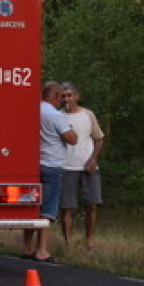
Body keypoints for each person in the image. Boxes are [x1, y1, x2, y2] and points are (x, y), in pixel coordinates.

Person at [23, 81, 77, 262]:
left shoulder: (32, 110)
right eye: (61, 96)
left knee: (32, 206)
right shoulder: (55, 115)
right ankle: (42, 250)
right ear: (55, 97)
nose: (62, 100)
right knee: (47, 210)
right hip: (52, 164)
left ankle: (27, 247)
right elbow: (71, 139)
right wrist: (72, 130)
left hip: (33, 164)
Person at [58, 82, 104, 250]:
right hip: (67, 166)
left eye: (69, 95)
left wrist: (93, 159)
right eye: (63, 96)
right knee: (67, 206)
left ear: (76, 96)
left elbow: (99, 139)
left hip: (87, 165)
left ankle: (89, 238)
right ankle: (68, 241)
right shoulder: (58, 116)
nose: (66, 99)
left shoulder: (87, 114)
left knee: (92, 203)